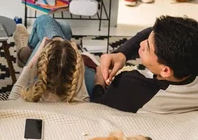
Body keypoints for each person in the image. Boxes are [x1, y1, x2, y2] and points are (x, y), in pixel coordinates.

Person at [14, 15, 198, 114]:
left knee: (46, 22)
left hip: (92, 84)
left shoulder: (132, 87)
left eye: (147, 48)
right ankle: (41, 48)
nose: (142, 44)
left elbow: (98, 104)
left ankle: (35, 51)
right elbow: (152, 31)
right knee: (63, 28)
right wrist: (122, 54)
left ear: (165, 70)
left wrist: (100, 80)